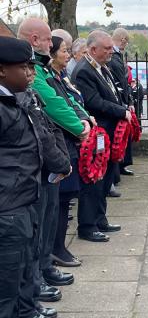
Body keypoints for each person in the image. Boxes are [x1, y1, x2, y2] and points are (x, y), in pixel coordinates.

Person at [18, 18, 87, 310]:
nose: (53, 46)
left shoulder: (40, 72)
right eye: (49, 41)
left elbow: (55, 113)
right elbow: (51, 112)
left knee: (47, 219)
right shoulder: (27, 75)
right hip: (32, 169)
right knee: (35, 226)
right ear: (35, 39)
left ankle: (44, 268)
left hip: (49, 162)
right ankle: (36, 277)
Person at [0, 36, 52, 318]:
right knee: (5, 288)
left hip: (22, 202)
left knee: (22, 270)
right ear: (2, 70)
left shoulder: (16, 99)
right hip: (7, 208)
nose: (31, 73)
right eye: (24, 67)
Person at [73, 30, 128, 242]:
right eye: (106, 49)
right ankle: (87, 226)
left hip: (109, 134)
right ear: (93, 49)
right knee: (93, 181)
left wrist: (124, 106)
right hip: (98, 132)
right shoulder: (84, 71)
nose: (110, 52)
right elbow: (94, 101)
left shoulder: (101, 67)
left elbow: (114, 93)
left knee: (104, 179)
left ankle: (100, 218)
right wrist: (121, 111)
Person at [48, 36, 84, 267]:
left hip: (70, 143)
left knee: (65, 200)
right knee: (59, 202)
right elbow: (57, 106)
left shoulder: (60, 76)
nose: (68, 54)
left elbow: (73, 100)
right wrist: (81, 127)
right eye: (64, 50)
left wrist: (84, 117)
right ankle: (56, 249)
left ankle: (58, 247)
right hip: (62, 144)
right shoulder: (47, 77)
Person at [110, 28, 135, 179]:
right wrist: (127, 101)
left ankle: (122, 164)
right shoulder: (115, 57)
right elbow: (121, 81)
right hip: (120, 101)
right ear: (123, 40)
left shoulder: (117, 56)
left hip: (123, 99)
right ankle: (120, 166)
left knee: (124, 134)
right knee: (120, 135)